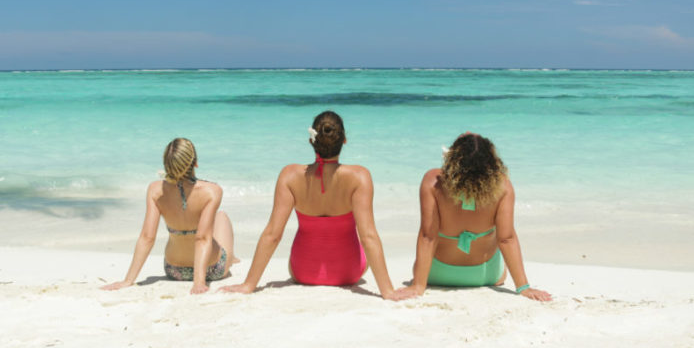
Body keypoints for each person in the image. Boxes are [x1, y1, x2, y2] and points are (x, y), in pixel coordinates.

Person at [223, 111, 408, 300]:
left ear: (312, 140)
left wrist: (248, 285)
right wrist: (388, 291)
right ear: (344, 140)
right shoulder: (360, 177)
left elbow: (272, 235)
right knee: (362, 249)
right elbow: (368, 237)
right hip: (349, 273)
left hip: (302, 272)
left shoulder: (290, 175)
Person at [400, 132, 551, 301]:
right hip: (486, 275)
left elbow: (428, 237)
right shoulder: (503, 185)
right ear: (491, 162)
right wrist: (524, 287)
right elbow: (506, 239)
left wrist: (419, 285)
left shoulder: (433, 181)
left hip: (437, 274)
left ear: (453, 159)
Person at [102, 138, 235, 294]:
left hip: (174, 270)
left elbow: (147, 237)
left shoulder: (155, 190)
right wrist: (199, 282)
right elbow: (202, 238)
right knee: (222, 217)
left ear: (167, 165)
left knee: (210, 227)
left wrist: (128, 280)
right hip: (211, 269)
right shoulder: (212, 191)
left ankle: (231, 257)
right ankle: (232, 258)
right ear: (195, 163)